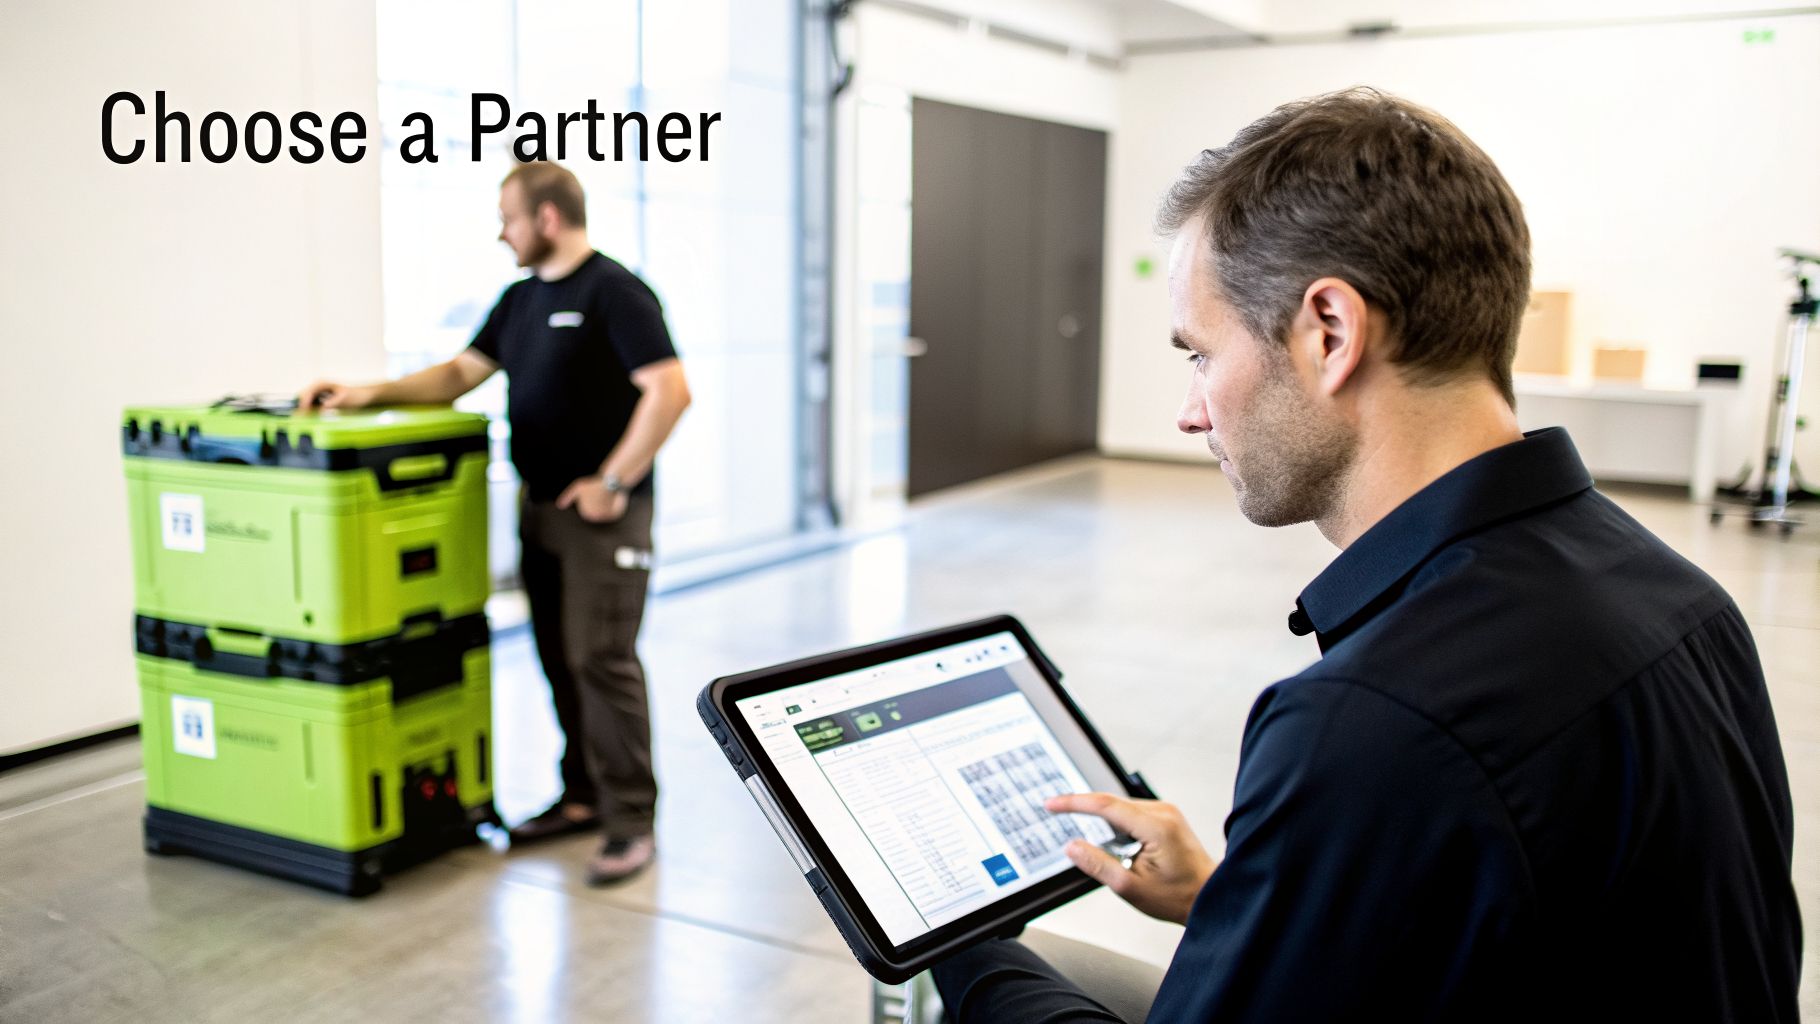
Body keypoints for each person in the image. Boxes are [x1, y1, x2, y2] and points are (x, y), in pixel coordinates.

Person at [932, 89, 1801, 1021]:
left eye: (1199, 354)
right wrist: (1256, 895)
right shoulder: (1681, 596)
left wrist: (966, 950)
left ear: (1330, 334)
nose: (1191, 411)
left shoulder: (1378, 718)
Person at [301, 161, 691, 885]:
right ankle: (580, 796)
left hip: (603, 518)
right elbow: (457, 375)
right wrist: (364, 396)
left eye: (508, 218)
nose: (500, 232)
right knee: (556, 655)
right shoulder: (519, 301)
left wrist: (613, 481)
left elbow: (668, 390)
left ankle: (630, 820)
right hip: (539, 507)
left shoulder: (616, 291)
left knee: (600, 661)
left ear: (546, 218)